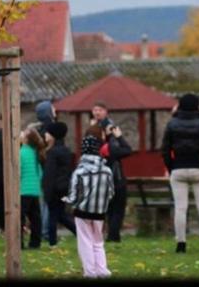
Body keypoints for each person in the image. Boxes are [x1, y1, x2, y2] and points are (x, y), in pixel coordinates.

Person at [161, 93, 199, 254]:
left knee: (180, 208)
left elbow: (165, 149)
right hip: (198, 167)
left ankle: (181, 244)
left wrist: (171, 166)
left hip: (178, 168)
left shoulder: (172, 124)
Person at [63, 131, 115, 278]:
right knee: (98, 241)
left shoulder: (79, 171)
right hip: (99, 212)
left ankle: (90, 272)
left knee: (85, 241)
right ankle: (102, 270)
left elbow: (73, 195)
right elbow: (111, 193)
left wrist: (66, 200)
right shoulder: (107, 170)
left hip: (82, 211)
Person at [91, 102, 132, 243]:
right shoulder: (107, 142)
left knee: (110, 208)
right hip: (114, 177)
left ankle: (112, 235)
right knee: (115, 208)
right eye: (95, 110)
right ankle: (113, 236)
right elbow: (127, 150)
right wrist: (119, 137)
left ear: (106, 111)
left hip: (106, 176)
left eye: (100, 109)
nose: (97, 112)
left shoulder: (99, 136)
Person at [42, 121, 77, 247]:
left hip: (54, 189)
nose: (45, 135)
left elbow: (50, 174)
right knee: (61, 215)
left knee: (53, 216)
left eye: (47, 133)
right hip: (63, 188)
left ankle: (52, 242)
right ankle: (79, 233)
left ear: (53, 135)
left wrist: (47, 191)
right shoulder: (66, 151)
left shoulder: (53, 152)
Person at [27, 100, 56, 242]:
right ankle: (44, 231)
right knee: (47, 202)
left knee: (43, 202)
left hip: (40, 170)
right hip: (47, 169)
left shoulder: (36, 130)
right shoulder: (49, 130)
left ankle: (42, 230)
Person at [19, 126, 46, 249]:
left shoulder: (21, 152)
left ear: (26, 139)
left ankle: (19, 243)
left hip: (23, 190)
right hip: (34, 190)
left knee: (19, 219)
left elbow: (18, 172)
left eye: (23, 133)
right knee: (36, 219)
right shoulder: (35, 153)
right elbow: (40, 173)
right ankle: (35, 243)